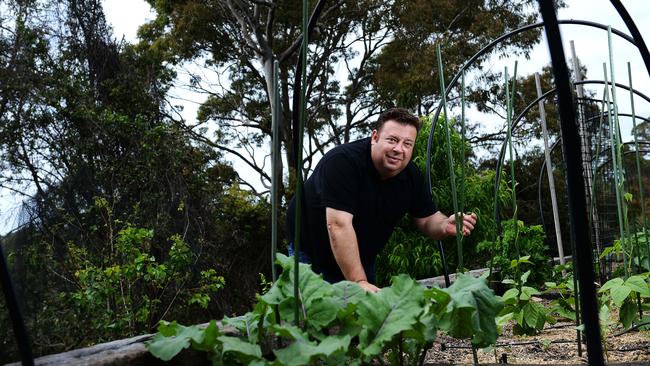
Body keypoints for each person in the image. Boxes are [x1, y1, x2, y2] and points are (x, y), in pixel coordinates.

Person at [286, 107, 477, 292]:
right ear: (375, 137)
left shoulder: (411, 176)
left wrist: (445, 225)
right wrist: (358, 281)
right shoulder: (341, 162)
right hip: (311, 249)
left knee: (363, 315)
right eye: (392, 140)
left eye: (407, 144)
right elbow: (337, 225)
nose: (398, 149)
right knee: (314, 314)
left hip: (360, 253)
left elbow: (427, 219)